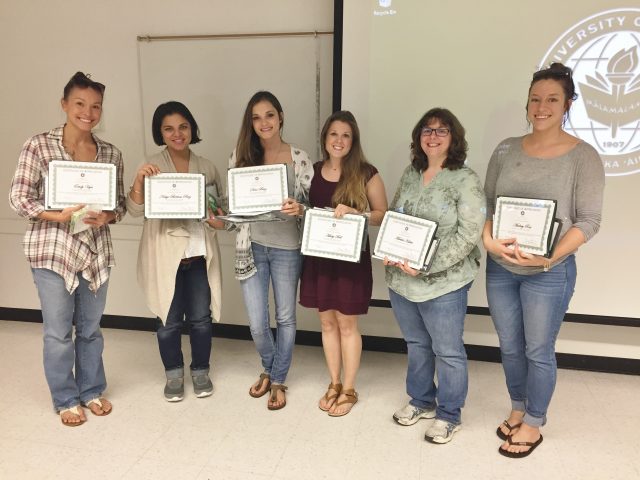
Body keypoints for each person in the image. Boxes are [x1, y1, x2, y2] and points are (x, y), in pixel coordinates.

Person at [483, 63, 605, 458]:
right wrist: (489, 242)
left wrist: (548, 256)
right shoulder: (505, 148)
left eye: (552, 99)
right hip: (502, 268)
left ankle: (535, 420)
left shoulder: (583, 156)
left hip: (548, 274)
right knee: (509, 346)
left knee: (538, 349)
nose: (541, 106)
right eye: (535, 99)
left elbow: (589, 221)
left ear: (567, 104)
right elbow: (488, 206)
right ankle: (518, 406)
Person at [9, 72, 125, 426]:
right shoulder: (38, 146)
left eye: (95, 106)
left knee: (90, 329)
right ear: (64, 104)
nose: (87, 113)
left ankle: (91, 390)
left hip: (95, 253)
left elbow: (118, 205)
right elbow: (18, 198)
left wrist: (108, 216)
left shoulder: (110, 153)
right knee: (58, 331)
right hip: (53, 252)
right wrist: (56, 215)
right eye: (79, 104)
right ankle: (65, 398)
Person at [385, 108, 486, 443]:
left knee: (448, 351)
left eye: (442, 131)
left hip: (444, 283)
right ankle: (421, 400)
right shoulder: (410, 173)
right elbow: (396, 217)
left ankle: (449, 414)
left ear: (453, 137)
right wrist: (392, 248)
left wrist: (425, 264)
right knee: (416, 344)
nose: (433, 136)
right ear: (418, 137)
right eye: (427, 130)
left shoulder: (465, 179)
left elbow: (468, 235)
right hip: (402, 279)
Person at [126, 101, 224, 402]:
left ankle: (200, 371)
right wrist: (140, 180)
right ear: (160, 132)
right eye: (168, 128)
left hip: (197, 254)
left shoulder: (207, 166)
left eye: (183, 126)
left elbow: (220, 214)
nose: (177, 133)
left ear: (192, 128)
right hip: (165, 255)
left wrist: (216, 218)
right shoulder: (152, 166)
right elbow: (134, 210)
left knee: (200, 319)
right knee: (167, 321)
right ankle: (173, 374)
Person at [300, 110, 388, 417]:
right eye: (334, 134)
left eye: (346, 135)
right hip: (319, 259)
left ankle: (349, 389)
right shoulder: (311, 171)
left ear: (354, 140)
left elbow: (382, 214)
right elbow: (303, 209)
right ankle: (334, 383)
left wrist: (357, 213)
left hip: (350, 262)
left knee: (348, 325)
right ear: (325, 138)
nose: (339, 140)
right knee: (326, 323)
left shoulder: (366, 173)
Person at [229, 91, 313, 410]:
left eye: (269, 115)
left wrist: (299, 207)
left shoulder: (299, 157)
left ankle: (277, 377)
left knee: (286, 317)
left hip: (287, 247)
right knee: (256, 322)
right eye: (256, 117)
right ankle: (269, 365)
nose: (264, 122)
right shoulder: (240, 156)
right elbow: (234, 205)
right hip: (251, 246)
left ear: (280, 118)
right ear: (250, 123)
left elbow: (311, 205)